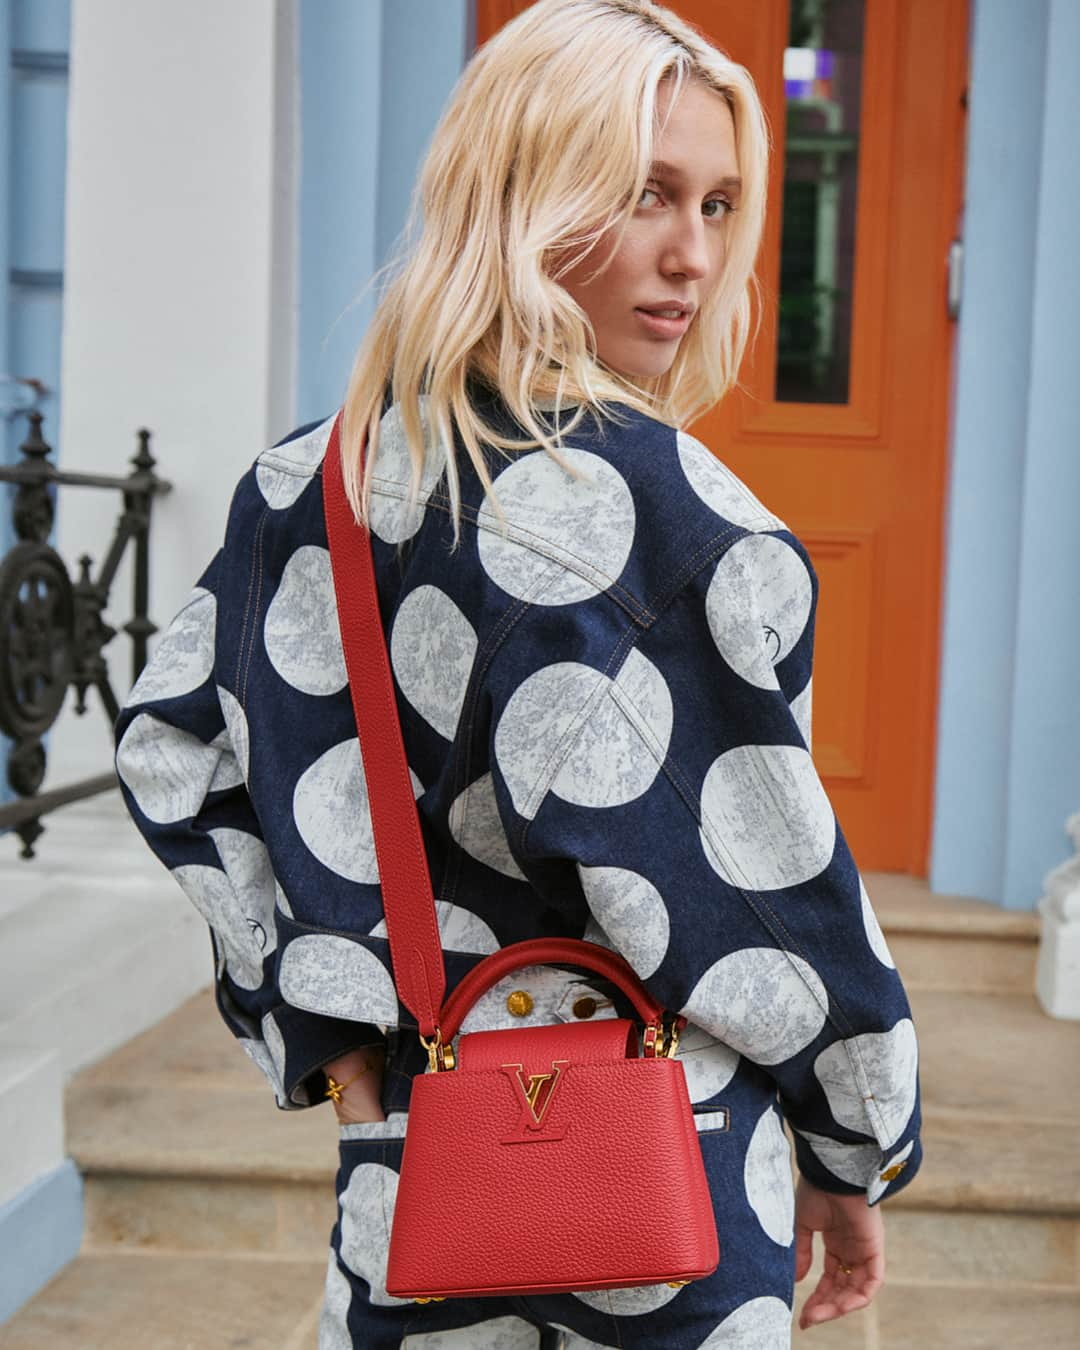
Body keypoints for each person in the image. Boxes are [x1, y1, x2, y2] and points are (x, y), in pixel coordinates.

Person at [113, 2, 922, 1346]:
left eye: (721, 204)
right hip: (672, 1174)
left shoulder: (302, 487)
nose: (695, 254)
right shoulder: (673, 519)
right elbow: (764, 899)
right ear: (522, 191)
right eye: (646, 193)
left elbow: (167, 750)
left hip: (418, 1162)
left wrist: (325, 1025)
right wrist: (858, 1144)